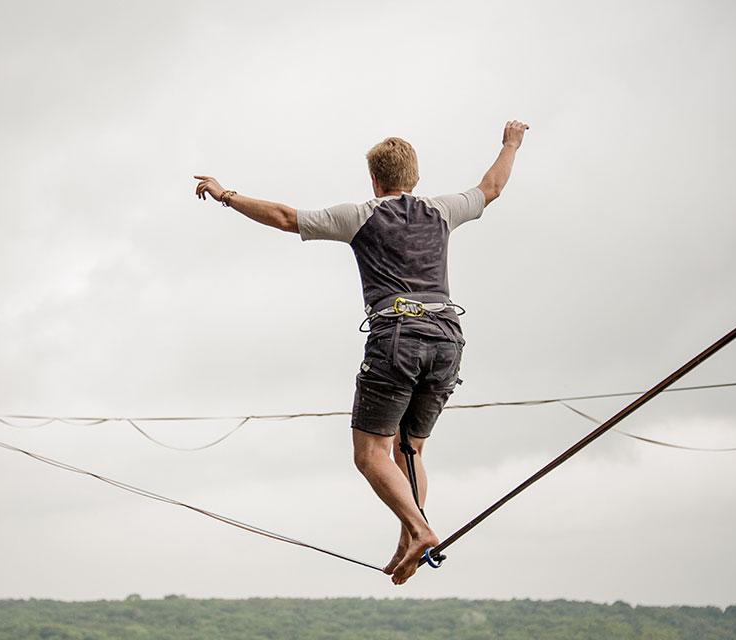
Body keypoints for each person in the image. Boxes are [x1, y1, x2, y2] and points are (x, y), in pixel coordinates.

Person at [194, 120, 529, 584]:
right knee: (408, 450)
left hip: (397, 337)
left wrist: (227, 195)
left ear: (374, 180)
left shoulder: (361, 215)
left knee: (370, 453)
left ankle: (419, 530)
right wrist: (511, 143)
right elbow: (491, 187)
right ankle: (410, 535)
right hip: (448, 338)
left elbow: (285, 216)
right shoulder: (443, 210)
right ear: (416, 177)